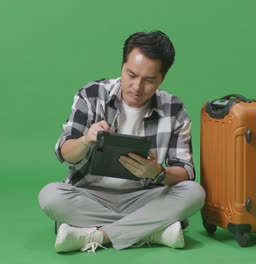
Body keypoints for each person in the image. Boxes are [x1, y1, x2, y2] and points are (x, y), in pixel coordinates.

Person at [38, 30, 205, 253]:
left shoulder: (174, 109)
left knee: (194, 193)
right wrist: (87, 139)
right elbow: (64, 152)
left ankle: (96, 235)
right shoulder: (91, 94)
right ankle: (154, 230)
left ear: (162, 78)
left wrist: (157, 172)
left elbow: (186, 172)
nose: (137, 87)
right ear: (122, 66)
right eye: (131, 74)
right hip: (90, 195)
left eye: (149, 80)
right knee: (50, 196)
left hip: (144, 197)